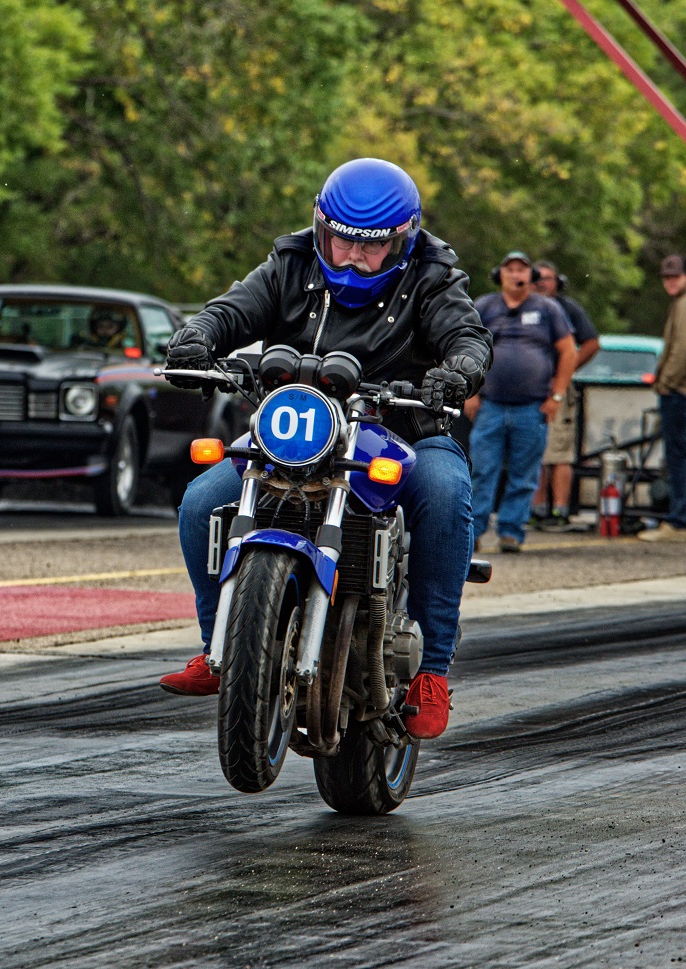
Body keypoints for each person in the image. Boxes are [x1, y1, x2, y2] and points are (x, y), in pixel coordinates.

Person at [157, 157, 493, 740]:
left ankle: (432, 672)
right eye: (338, 241)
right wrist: (198, 337)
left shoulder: (433, 276)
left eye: (369, 247)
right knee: (199, 502)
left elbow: (465, 334)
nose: (350, 257)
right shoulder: (288, 263)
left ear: (403, 240)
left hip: (401, 429)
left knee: (445, 491)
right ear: (320, 226)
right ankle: (221, 649)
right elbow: (234, 309)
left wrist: (460, 368)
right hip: (292, 432)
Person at [465, 251, 577, 553]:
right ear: (499, 275)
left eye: (522, 270)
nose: (516, 275)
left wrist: (556, 395)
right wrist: (471, 393)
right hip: (491, 405)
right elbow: (468, 349)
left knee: (524, 474)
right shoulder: (485, 306)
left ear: (532, 277)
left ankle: (512, 531)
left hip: (532, 407)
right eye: (510, 269)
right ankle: (472, 532)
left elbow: (569, 352)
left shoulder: (548, 309)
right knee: (482, 470)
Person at [530, 260, 600, 530]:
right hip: (529, 389)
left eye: (547, 278)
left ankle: (559, 510)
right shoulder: (523, 306)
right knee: (534, 451)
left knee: (559, 451)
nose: (542, 283)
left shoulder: (567, 308)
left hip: (557, 389)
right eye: (538, 279)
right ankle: (535, 509)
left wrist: (563, 372)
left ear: (558, 282)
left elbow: (592, 343)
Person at [638, 254, 686, 542]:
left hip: (679, 393)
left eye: (676, 276)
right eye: (666, 277)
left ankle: (679, 520)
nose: (670, 281)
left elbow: (682, 349)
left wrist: (665, 382)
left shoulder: (683, 304)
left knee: (678, 457)